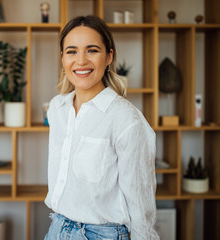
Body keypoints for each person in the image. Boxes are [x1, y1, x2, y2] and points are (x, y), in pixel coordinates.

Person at [44, 15, 159, 240]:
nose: (81, 61)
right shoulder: (57, 109)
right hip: (57, 228)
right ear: (62, 58)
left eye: (92, 50)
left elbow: (140, 200)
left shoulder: (125, 118)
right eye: (72, 51)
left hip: (103, 234)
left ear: (109, 56)